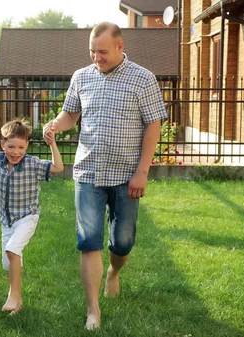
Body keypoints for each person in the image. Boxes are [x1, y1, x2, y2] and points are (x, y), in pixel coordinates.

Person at [43, 22, 167, 330]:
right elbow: (71, 113)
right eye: (92, 51)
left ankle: (114, 272)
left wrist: (142, 171)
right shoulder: (81, 77)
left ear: (120, 47)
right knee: (88, 241)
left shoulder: (143, 78)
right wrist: (57, 124)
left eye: (102, 52)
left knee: (122, 242)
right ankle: (93, 310)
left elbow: (154, 125)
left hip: (127, 174)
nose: (96, 57)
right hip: (88, 173)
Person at [0, 118, 64, 314]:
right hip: (6, 221)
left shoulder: (32, 164)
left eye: (20, 147)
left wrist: (52, 144)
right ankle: (18, 303)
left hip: (27, 217)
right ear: (3, 145)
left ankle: (14, 295)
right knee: (8, 261)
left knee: (12, 250)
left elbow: (58, 167)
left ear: (27, 145)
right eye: (10, 147)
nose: (15, 152)